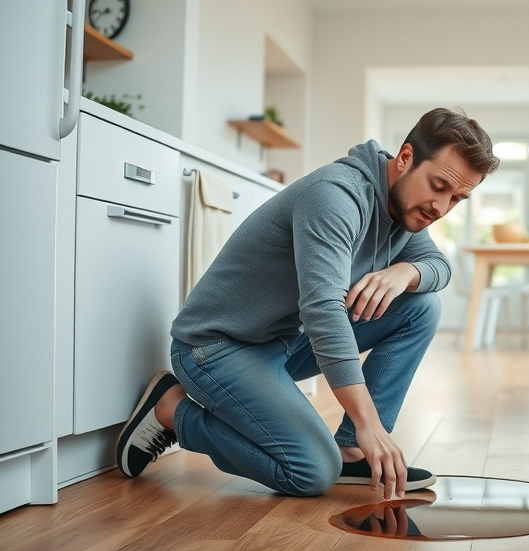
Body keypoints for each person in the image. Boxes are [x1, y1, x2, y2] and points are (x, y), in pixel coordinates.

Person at [114, 108, 500, 500]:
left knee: (421, 307)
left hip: (280, 344)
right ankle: (171, 410)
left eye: (457, 198)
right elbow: (323, 310)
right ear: (404, 159)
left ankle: (351, 451)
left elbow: (438, 266)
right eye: (438, 186)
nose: (441, 207)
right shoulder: (336, 196)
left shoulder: (405, 210)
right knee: (312, 472)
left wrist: (404, 274)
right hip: (215, 349)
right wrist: (370, 423)